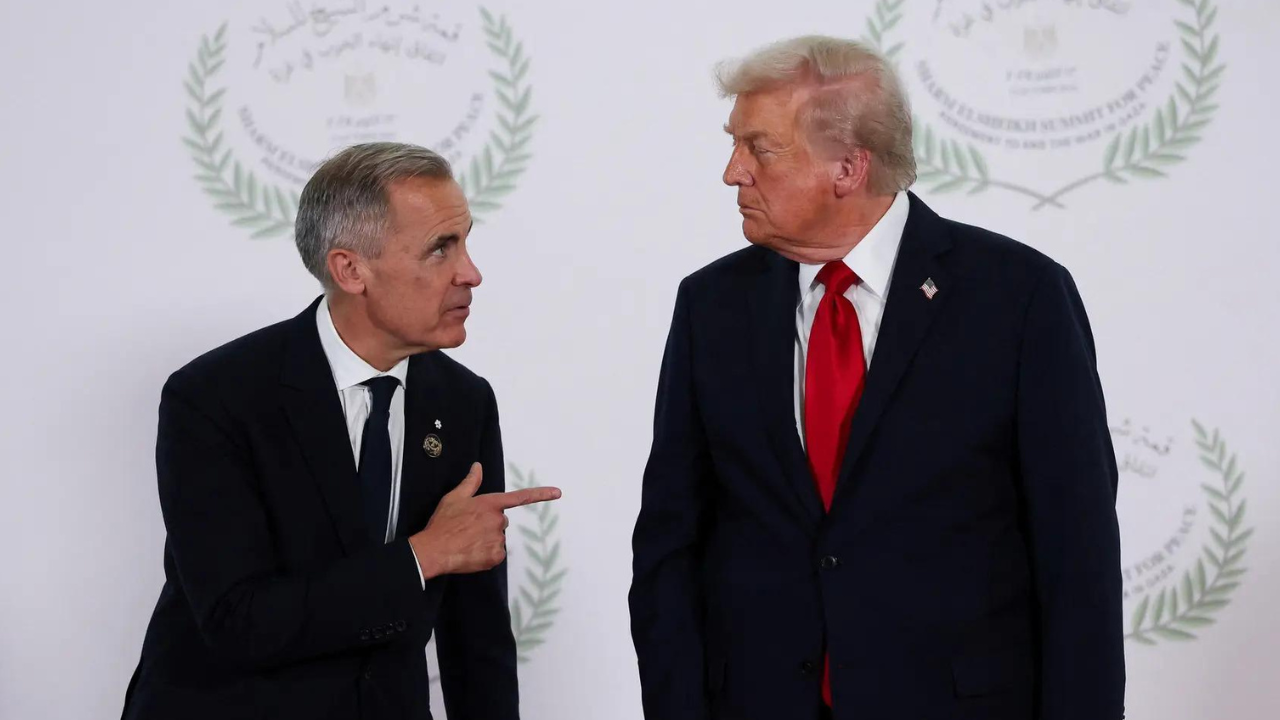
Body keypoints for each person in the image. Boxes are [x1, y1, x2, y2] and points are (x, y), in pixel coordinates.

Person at [629, 36, 1124, 720]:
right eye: (734, 144)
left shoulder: (1019, 297)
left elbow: (1078, 556)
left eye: (759, 149)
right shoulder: (711, 305)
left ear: (848, 167)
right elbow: (670, 547)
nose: (732, 172)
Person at [122, 142, 560, 720]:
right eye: (440, 248)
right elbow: (238, 621)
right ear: (350, 269)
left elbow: (475, 637)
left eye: (465, 242)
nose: (471, 273)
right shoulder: (215, 396)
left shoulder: (463, 401)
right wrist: (421, 557)